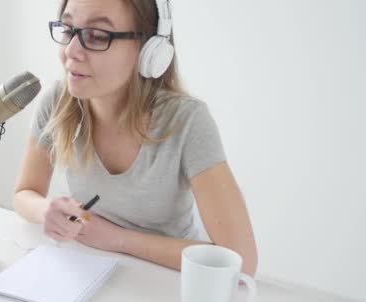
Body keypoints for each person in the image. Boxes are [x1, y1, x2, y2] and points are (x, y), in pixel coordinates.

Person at [13, 0, 257, 276]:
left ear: (150, 50)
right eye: (68, 29)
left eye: (97, 36)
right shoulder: (57, 102)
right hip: (88, 270)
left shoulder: (187, 121)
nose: (71, 51)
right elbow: (24, 193)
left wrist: (118, 239)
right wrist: (47, 212)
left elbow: (242, 261)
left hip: (168, 281)